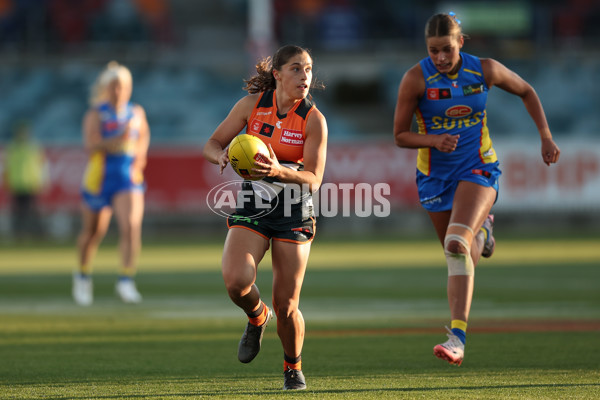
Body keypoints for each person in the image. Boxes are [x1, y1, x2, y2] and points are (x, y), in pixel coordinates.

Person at [392, 13, 560, 366]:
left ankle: (457, 338)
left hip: (478, 168)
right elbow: (400, 135)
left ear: (461, 43)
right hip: (434, 176)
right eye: (433, 50)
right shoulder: (415, 79)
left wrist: (545, 135)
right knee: (461, 254)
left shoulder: (484, 70)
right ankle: (484, 230)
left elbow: (527, 91)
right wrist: (434, 140)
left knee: (456, 245)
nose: (440, 58)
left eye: (447, 49)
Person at [202, 45, 327, 390]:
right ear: (278, 74)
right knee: (235, 281)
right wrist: (221, 156)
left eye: (309, 69)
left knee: (287, 305)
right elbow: (211, 143)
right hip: (254, 205)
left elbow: (314, 178)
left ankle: (293, 367)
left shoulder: (314, 119)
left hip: (293, 210)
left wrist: (278, 170)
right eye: (296, 69)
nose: (305, 76)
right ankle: (257, 318)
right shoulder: (251, 106)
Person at [73, 61, 150, 306]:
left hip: (127, 177)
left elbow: (144, 136)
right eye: (114, 86)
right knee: (94, 232)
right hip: (100, 177)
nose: (119, 90)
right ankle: (83, 276)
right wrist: (117, 138)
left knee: (131, 226)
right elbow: (90, 144)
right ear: (106, 88)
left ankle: (126, 280)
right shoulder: (96, 113)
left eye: (123, 86)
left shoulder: (136, 112)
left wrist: (141, 156)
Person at [3, 120, 47, 240]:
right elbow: (7, 167)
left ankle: (36, 235)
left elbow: (41, 167)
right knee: (17, 213)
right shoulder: (12, 148)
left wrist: (41, 182)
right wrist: (7, 182)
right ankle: (18, 235)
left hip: (30, 185)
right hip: (16, 185)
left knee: (32, 212)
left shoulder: (33, 147)